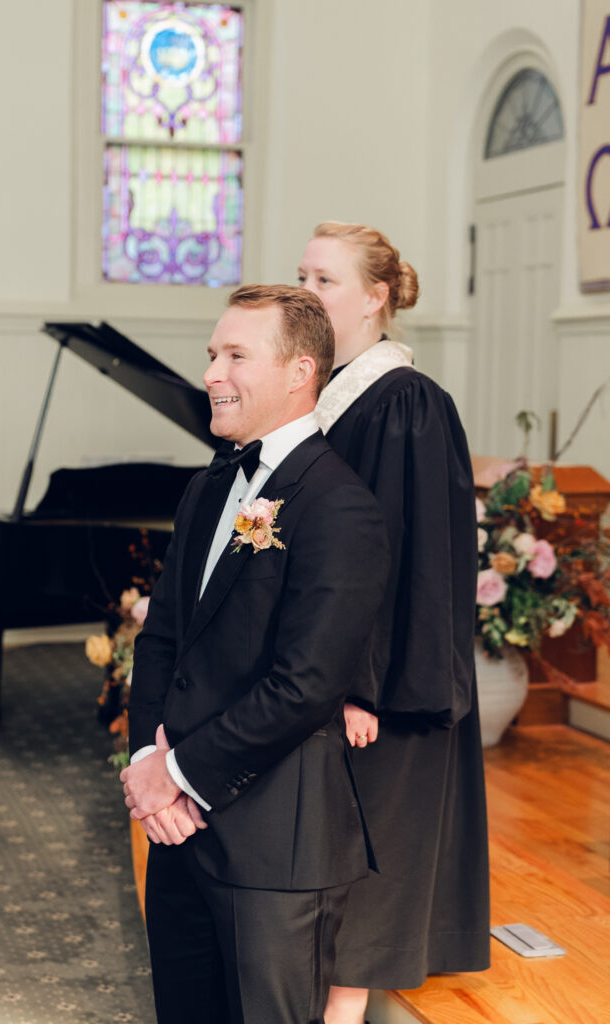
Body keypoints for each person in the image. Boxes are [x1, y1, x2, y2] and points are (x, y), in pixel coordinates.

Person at [120, 284, 390, 1024]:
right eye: (212, 354)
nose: (212, 372)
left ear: (300, 371)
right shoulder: (210, 487)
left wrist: (171, 775)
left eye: (236, 355)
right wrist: (145, 754)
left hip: (275, 849)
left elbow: (305, 686)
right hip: (179, 834)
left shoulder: (341, 507)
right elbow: (164, 639)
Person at [298, 221, 490, 1024]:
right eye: (300, 276)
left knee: (376, 846)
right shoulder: (334, 393)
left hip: (384, 679)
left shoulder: (403, 401)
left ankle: (344, 1013)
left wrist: (363, 686)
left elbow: (398, 559)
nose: (304, 293)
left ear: (377, 298)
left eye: (325, 282)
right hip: (338, 664)